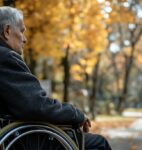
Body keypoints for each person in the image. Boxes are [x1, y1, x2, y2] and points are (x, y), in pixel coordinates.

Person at [0, 6, 112, 150]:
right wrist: (76, 114)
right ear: (7, 31)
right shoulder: (6, 57)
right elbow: (36, 106)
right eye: (22, 31)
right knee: (99, 144)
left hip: (16, 135)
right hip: (24, 139)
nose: (25, 39)